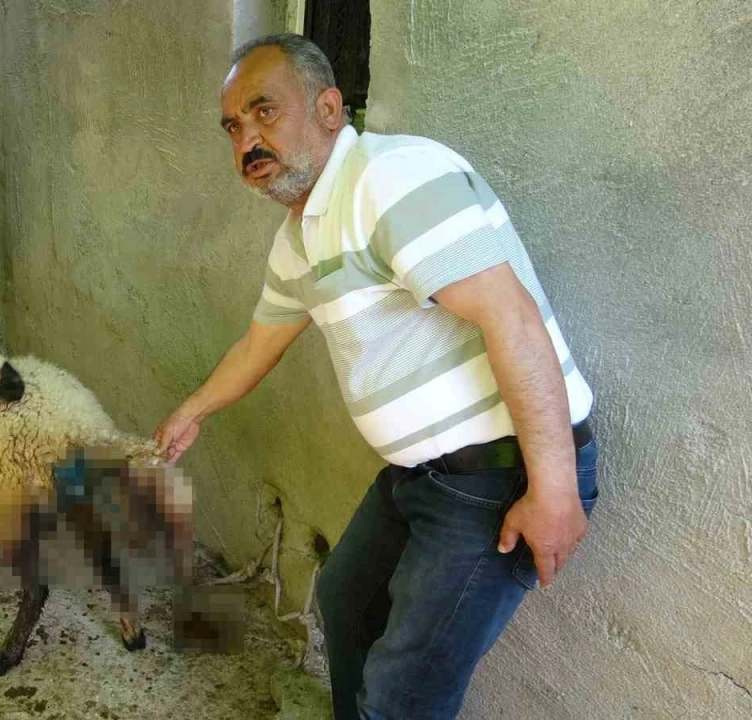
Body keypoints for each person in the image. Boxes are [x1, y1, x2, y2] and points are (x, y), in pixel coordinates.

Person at [154, 33, 600, 720]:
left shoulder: (390, 180)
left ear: (329, 108)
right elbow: (258, 344)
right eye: (234, 127)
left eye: (265, 111)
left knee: (403, 694)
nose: (247, 140)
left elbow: (512, 319)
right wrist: (191, 412)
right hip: (424, 476)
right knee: (348, 600)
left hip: (499, 474)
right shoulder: (301, 235)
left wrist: (556, 488)